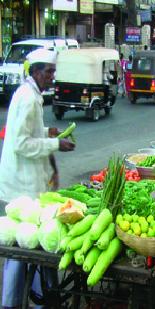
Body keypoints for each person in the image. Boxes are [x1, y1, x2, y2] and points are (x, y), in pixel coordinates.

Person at [0, 48, 75, 308]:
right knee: (19, 249)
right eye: (49, 72)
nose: (52, 77)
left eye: (53, 71)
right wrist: (55, 144)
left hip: (25, 182)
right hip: (20, 185)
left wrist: (47, 131)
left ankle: (39, 298)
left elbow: (29, 131)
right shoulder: (28, 98)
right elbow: (21, 143)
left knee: (28, 246)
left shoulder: (30, 94)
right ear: (36, 72)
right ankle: (11, 302)